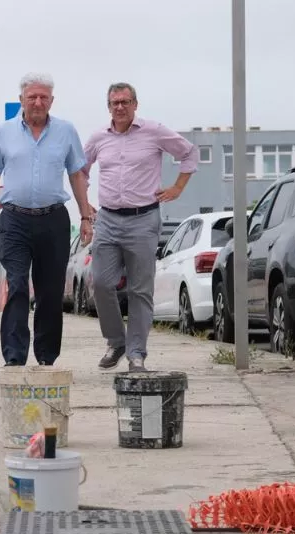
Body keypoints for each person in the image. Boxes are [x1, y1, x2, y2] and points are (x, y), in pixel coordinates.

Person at [0, 72, 93, 367]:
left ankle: (46, 357)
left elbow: (77, 174)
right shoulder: (3, 133)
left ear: (52, 100)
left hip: (53, 220)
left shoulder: (66, 131)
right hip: (14, 220)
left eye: (44, 97)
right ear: (21, 100)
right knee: (17, 286)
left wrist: (86, 215)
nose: (38, 102)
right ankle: (14, 356)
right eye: (32, 97)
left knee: (50, 291)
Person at [82, 83, 198, 371]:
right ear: (108, 107)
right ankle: (116, 341)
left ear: (136, 104)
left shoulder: (154, 131)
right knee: (101, 283)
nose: (119, 107)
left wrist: (177, 189)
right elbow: (80, 170)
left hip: (143, 219)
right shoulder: (98, 137)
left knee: (140, 290)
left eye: (125, 101)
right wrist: (84, 206)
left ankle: (136, 352)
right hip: (107, 220)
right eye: (114, 103)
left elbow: (189, 154)